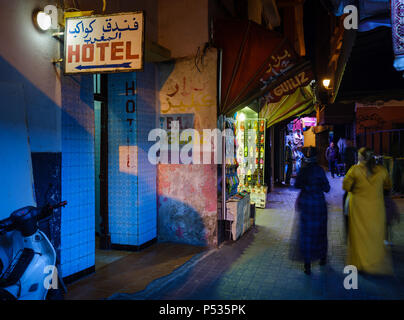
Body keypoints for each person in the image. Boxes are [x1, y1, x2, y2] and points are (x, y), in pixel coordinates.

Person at [342, 147, 393, 275]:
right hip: (376, 208)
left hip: (358, 208)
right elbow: (388, 185)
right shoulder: (381, 170)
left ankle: (359, 263)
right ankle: (373, 262)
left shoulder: (355, 170)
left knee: (358, 236)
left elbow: (346, 186)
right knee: (374, 235)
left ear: (361, 157)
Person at [292, 147, 330, 275]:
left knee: (306, 233)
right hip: (319, 204)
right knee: (320, 232)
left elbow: (297, 185)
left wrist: (306, 186)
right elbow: (327, 188)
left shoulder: (303, 171)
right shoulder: (320, 170)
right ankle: (322, 258)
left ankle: (307, 265)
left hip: (306, 204)